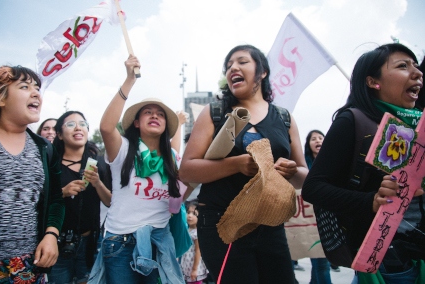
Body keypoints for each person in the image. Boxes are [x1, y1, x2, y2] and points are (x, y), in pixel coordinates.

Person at [179, 44, 308, 283]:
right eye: (228, 66)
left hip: (269, 222)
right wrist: (236, 164)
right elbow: (187, 170)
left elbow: (304, 175)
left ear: (263, 72)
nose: (232, 69)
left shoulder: (284, 118)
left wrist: (291, 171)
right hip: (222, 224)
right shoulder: (214, 113)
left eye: (241, 62)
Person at [302, 43, 424, 284]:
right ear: (372, 81)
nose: (417, 73)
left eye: (416, 66)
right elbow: (313, 188)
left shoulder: (419, 125)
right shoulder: (353, 121)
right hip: (391, 261)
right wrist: (372, 200)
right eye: (402, 66)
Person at [98, 54, 186, 283]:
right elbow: (107, 128)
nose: (155, 116)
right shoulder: (124, 149)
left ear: (166, 126)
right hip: (120, 243)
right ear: (136, 122)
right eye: (148, 112)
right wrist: (129, 80)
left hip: (159, 243)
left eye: (160, 115)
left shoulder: (173, 159)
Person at [0, 66, 65, 283]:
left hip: (30, 267)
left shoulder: (45, 148)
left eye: (37, 88)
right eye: (24, 87)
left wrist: (51, 235)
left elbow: (55, 199)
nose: (36, 93)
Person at [48, 111, 112, 284]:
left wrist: (98, 183)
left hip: (90, 243)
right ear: (59, 134)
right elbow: (38, 202)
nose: (78, 127)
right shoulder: (51, 165)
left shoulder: (100, 164)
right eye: (71, 124)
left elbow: (110, 202)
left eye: (82, 124)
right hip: (57, 242)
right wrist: (63, 192)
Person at [303, 130, 332, 284]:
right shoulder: (304, 167)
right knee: (321, 264)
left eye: (321, 137)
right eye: (313, 139)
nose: (317, 140)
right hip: (310, 221)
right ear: (308, 144)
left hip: (328, 221)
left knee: (319, 265)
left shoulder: (333, 163)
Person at [180, 200, 209, 284]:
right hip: (187, 265)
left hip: (194, 266)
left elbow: (198, 251)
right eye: (188, 212)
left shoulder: (197, 233)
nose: (189, 216)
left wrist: (194, 269)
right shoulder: (188, 230)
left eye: (194, 214)